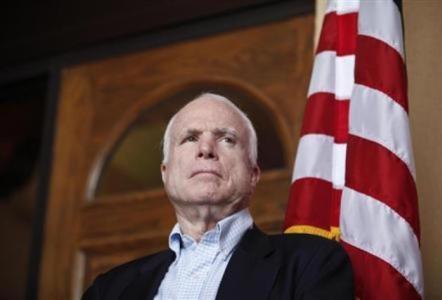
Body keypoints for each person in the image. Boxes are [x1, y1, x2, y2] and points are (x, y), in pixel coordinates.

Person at [82, 93, 353, 300]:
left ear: (253, 174)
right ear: (165, 173)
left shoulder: (311, 263)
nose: (206, 149)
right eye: (189, 138)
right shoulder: (110, 290)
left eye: (226, 139)